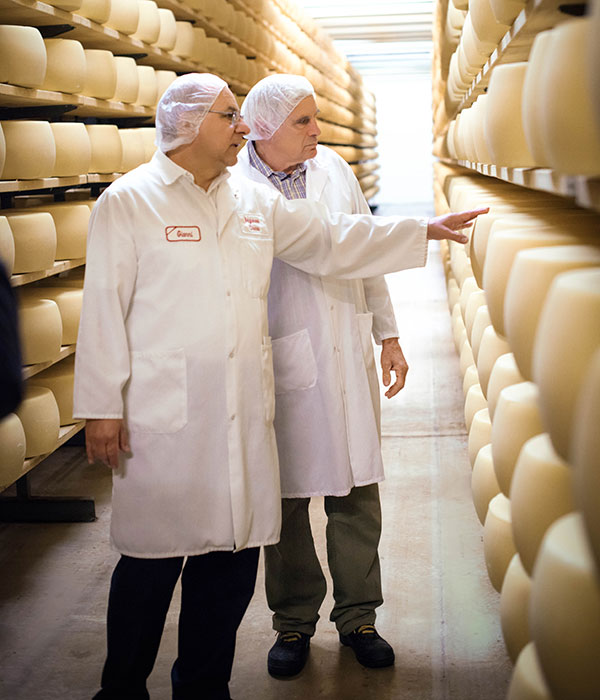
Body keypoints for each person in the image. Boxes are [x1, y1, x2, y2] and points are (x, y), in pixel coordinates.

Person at [73, 72, 486, 700]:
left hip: (240, 411)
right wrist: (101, 407)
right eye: (227, 117)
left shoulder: (252, 204)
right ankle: (122, 688)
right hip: (165, 421)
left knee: (230, 565)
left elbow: (332, 237)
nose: (242, 127)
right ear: (186, 127)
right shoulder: (130, 201)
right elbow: (103, 309)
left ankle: (204, 687)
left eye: (241, 115)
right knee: (150, 570)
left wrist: (421, 229)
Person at [234, 73, 408, 676]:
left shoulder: (334, 169)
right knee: (284, 504)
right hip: (279, 356)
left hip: (343, 346)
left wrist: (388, 334)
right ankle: (292, 623)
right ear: (263, 129)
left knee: (357, 494)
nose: (317, 131)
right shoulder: (233, 185)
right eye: (303, 122)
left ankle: (360, 615)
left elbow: (368, 251)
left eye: (315, 119)